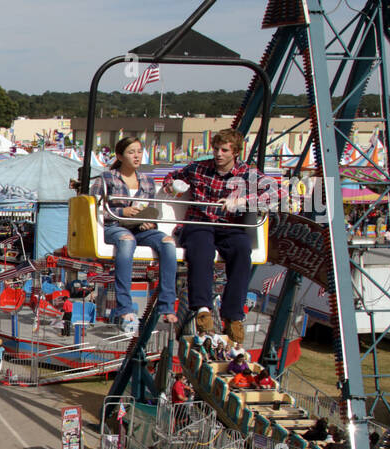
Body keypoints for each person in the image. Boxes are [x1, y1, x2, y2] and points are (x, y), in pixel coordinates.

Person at [167, 128, 281, 344]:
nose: (219, 154)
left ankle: (233, 315)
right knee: (201, 250)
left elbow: (277, 192)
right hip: (199, 222)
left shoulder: (247, 173)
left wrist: (243, 202)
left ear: (235, 152)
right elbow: (172, 178)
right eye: (216, 149)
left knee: (241, 250)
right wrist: (174, 186)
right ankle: (202, 309)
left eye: (225, 150)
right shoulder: (199, 168)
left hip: (228, 225)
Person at [90, 135, 178, 333]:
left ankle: (166, 303)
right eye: (131, 152)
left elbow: (152, 208)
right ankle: (125, 307)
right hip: (115, 225)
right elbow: (94, 208)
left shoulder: (147, 181)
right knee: (127, 242)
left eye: (139, 152)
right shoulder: (106, 178)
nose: (136, 156)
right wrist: (122, 212)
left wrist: (149, 221)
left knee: (167, 243)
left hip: (140, 227)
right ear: (120, 156)